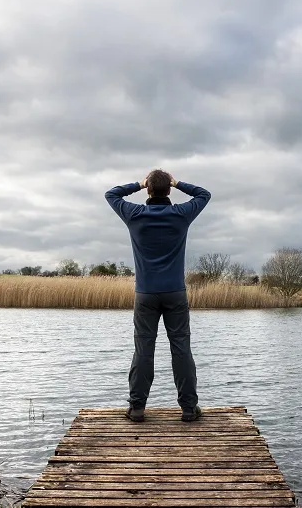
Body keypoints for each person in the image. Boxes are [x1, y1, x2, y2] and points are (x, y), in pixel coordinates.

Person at [104, 169, 211, 423]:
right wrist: (178, 182)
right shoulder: (181, 214)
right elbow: (204, 194)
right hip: (175, 292)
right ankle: (188, 409)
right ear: (170, 190)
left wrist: (138, 185)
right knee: (181, 349)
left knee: (143, 350)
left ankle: (137, 408)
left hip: (145, 294)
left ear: (148, 190)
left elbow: (112, 194)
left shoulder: (135, 214)